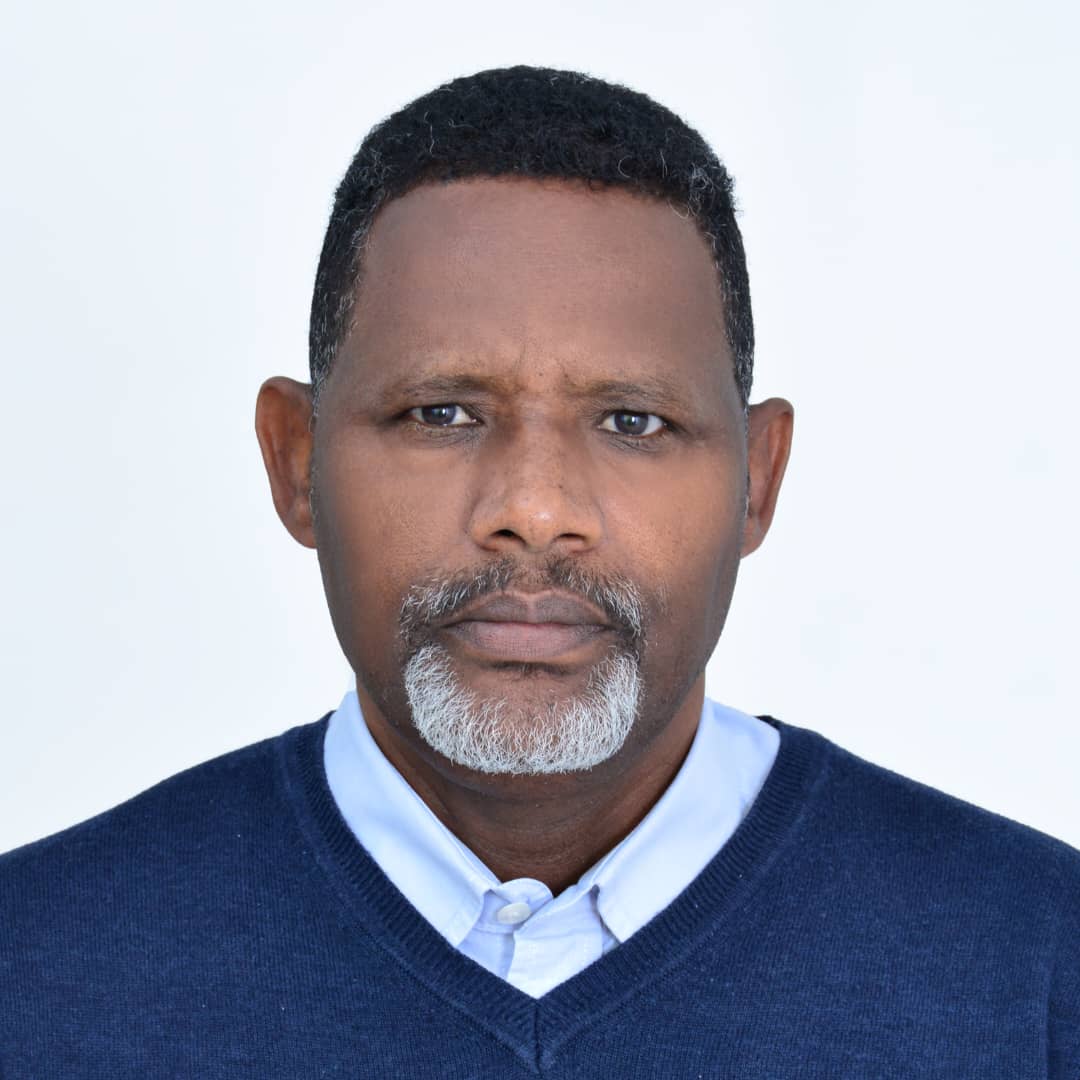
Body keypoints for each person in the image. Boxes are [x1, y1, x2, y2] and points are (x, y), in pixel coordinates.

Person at [1, 64, 1077, 1078]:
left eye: (633, 421)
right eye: (442, 413)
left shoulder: (1036, 967)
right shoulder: (34, 971)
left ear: (757, 481)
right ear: (297, 462)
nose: (535, 510)